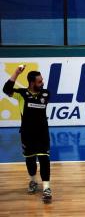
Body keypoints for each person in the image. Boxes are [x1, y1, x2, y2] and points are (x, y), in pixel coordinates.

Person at [2, 66, 52, 204]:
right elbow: (6, 90)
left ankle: (47, 188)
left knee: (44, 160)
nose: (42, 83)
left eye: (42, 81)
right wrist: (16, 73)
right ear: (31, 83)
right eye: (39, 81)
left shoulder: (46, 94)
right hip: (27, 134)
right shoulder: (21, 94)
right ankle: (33, 181)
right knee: (30, 160)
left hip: (42, 134)